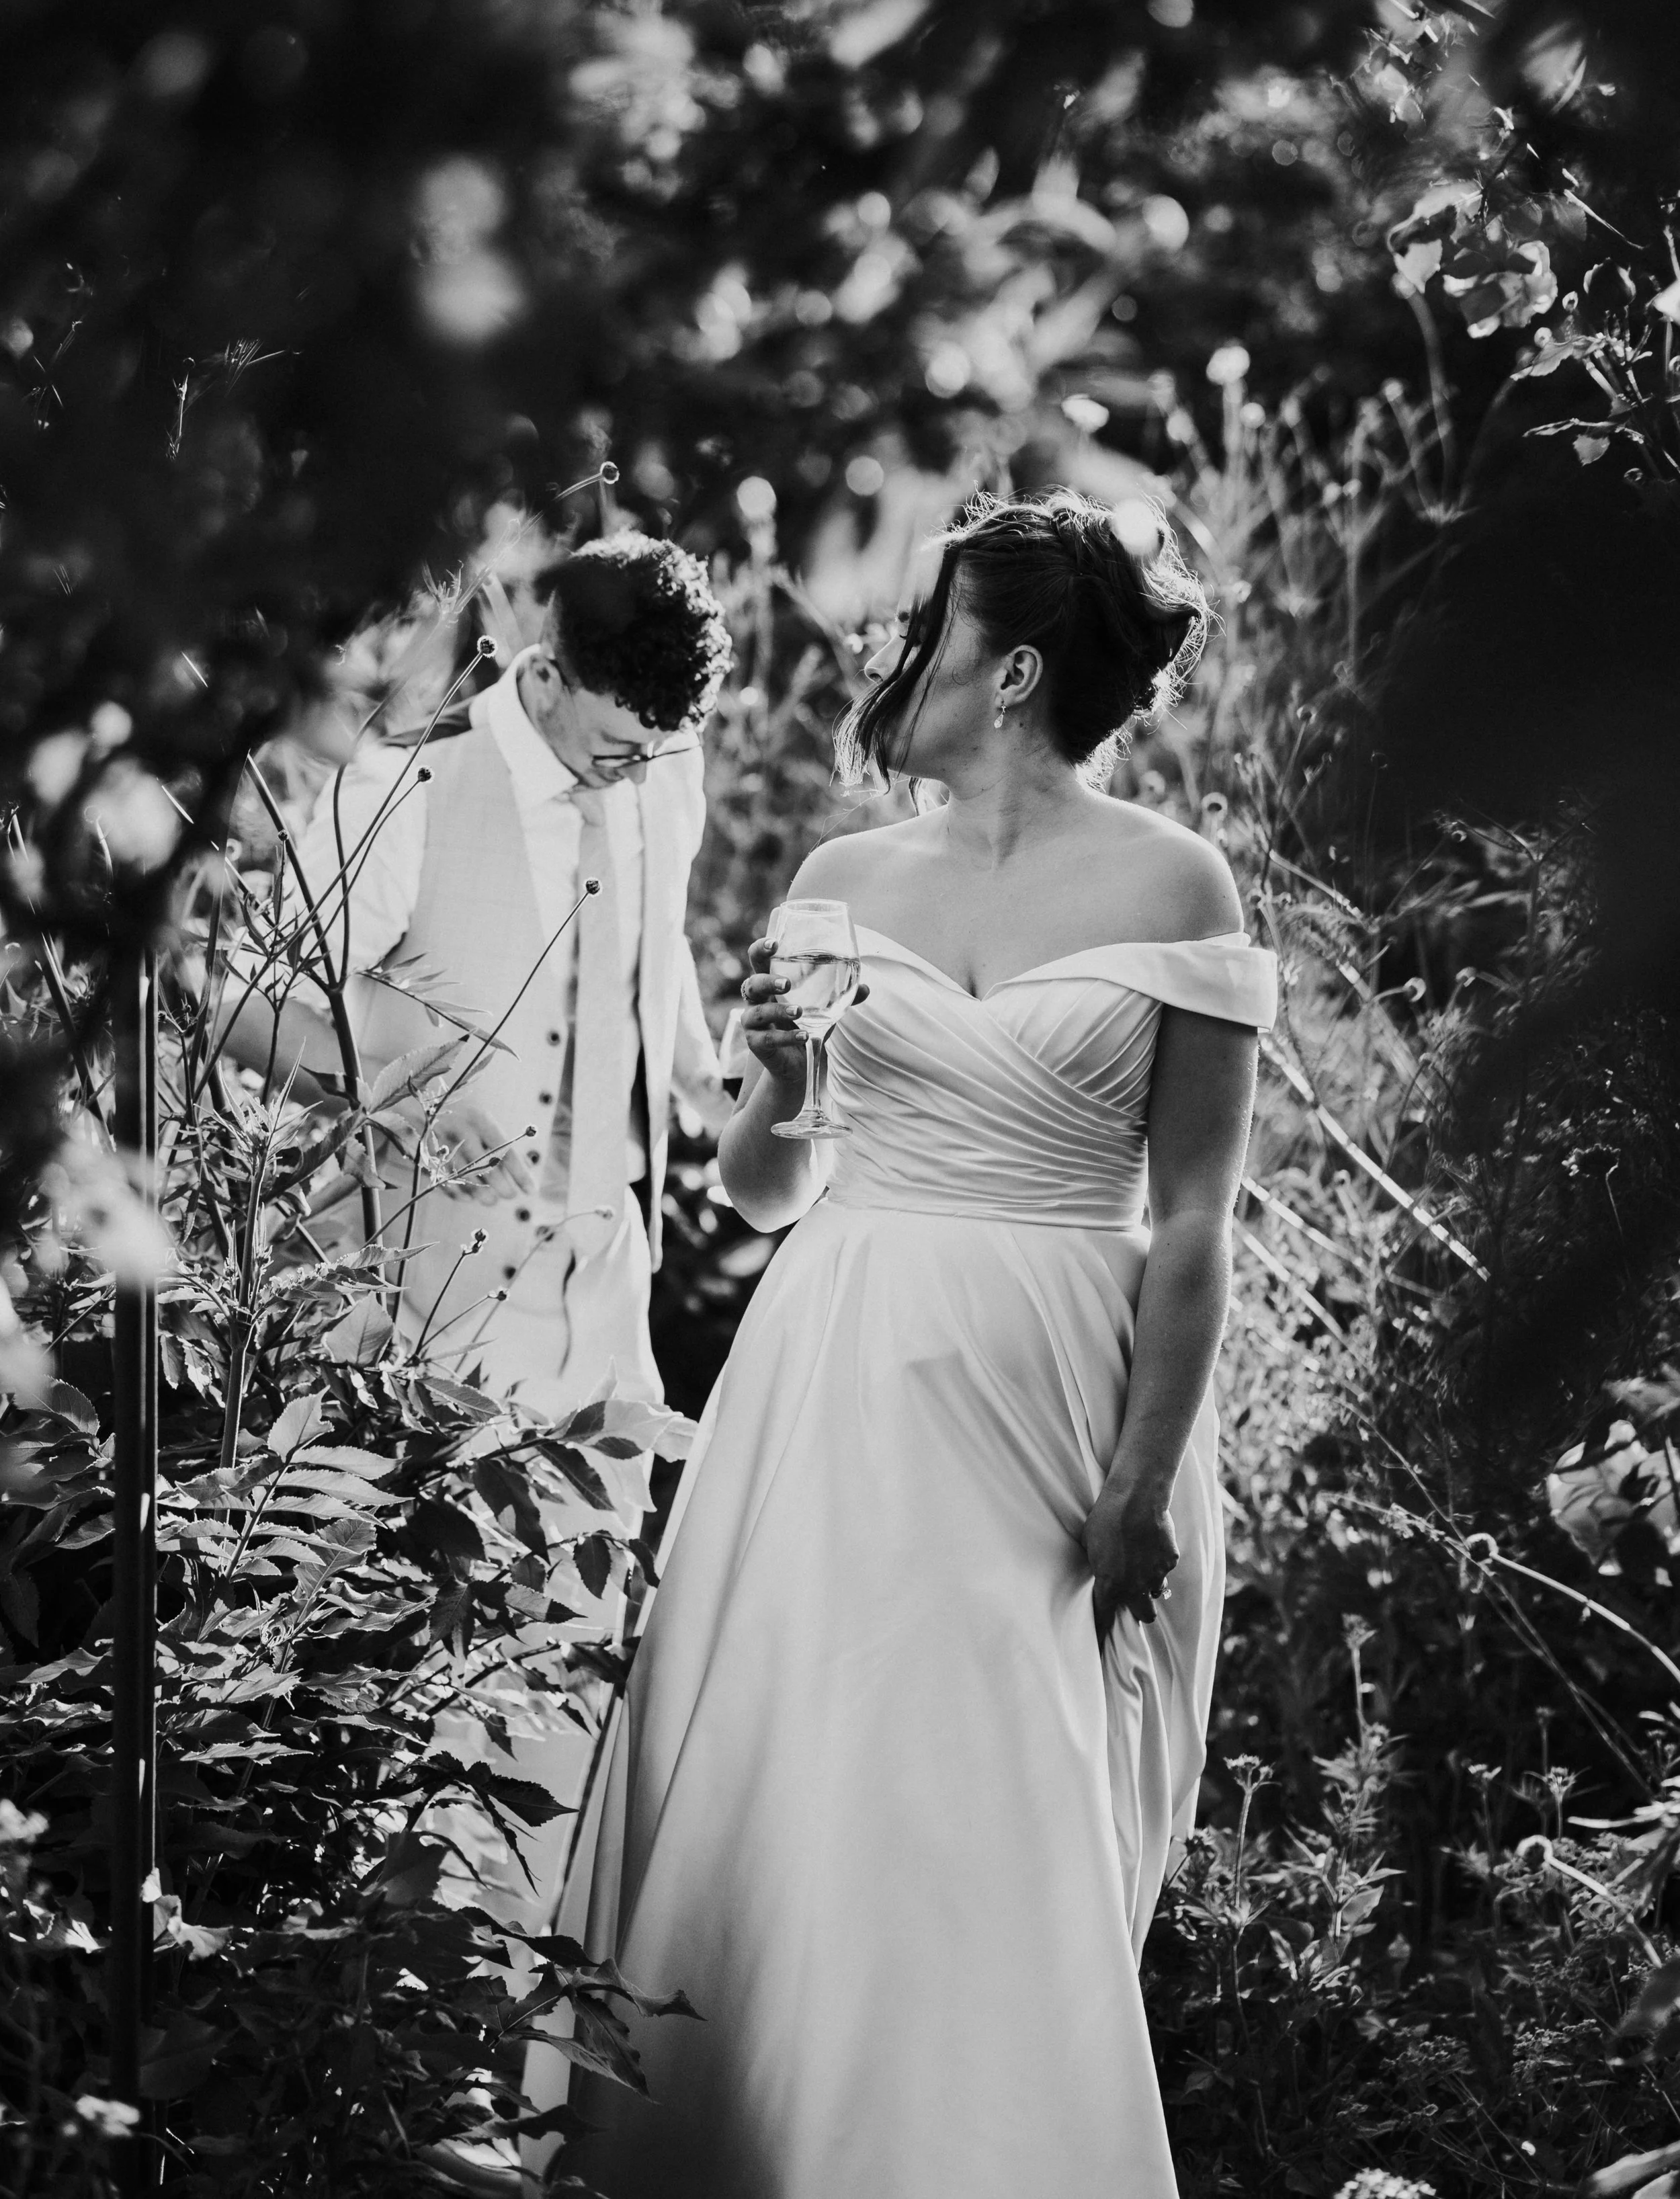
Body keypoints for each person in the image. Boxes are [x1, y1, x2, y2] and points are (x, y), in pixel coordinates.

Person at [549, 493, 1277, 2198]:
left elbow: (1190, 1225)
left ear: (1010, 667)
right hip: (838, 1371)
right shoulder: (838, 881)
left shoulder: (1175, 885)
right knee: (816, 1769)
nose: (897, 663)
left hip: (1053, 1391)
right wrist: (788, 1090)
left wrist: (1142, 1476)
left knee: (994, 1796)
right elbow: (760, 1183)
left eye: (926, 630)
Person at [224, 528, 734, 1413]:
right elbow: (247, 1007)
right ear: (547, 674)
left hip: (611, 1309)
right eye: (616, 746)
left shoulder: (658, 773)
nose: (636, 775)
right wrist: (401, 1097)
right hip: (426, 1314)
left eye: (661, 750)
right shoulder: (400, 789)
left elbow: (653, 945)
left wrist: (717, 1089)